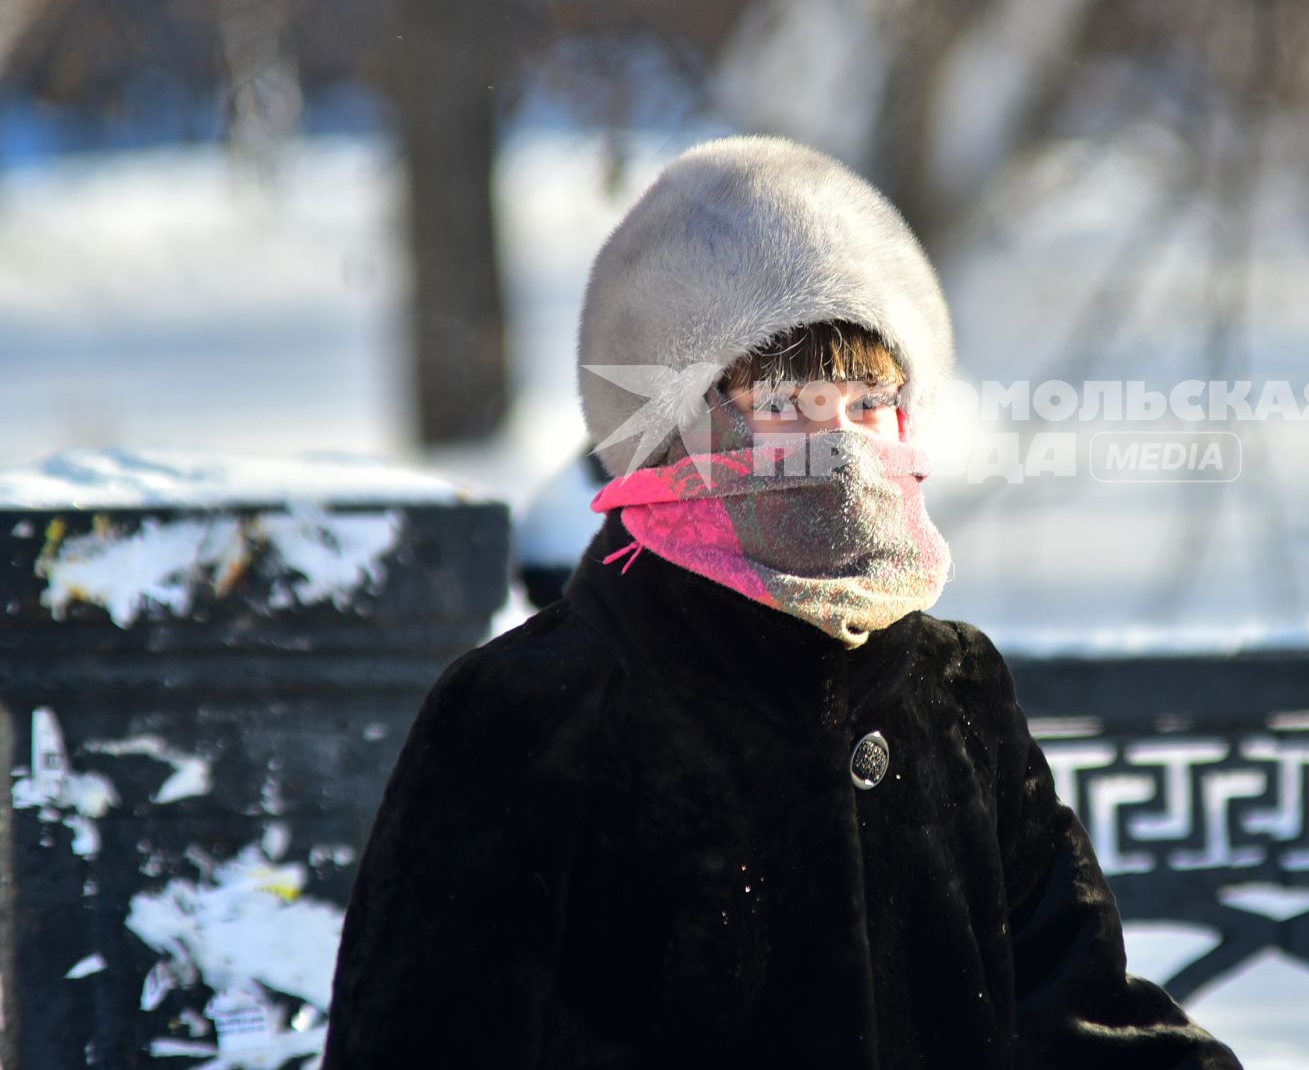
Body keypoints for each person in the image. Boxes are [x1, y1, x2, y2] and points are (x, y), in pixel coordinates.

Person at [322, 136, 1243, 1069]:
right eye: (784, 402)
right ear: (671, 427)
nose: (837, 448)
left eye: (866, 400)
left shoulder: (952, 689)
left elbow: (1076, 1015)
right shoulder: (523, 712)